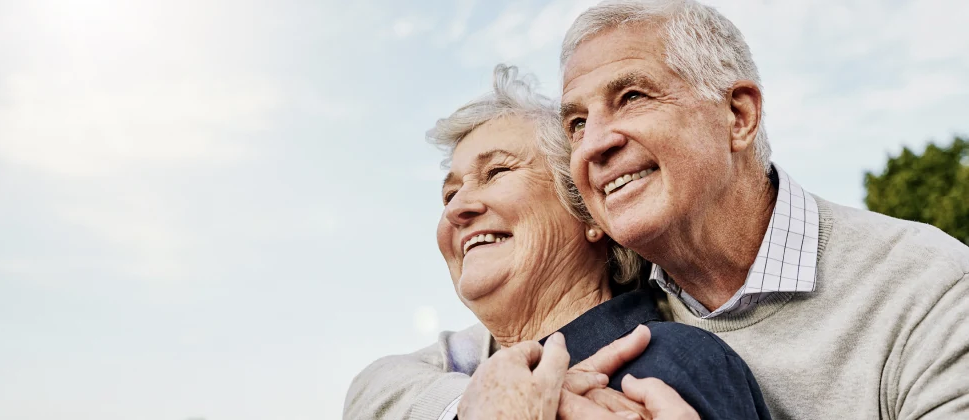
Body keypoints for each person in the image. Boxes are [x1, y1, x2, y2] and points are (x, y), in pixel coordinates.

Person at [345, 0, 969, 419]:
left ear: (738, 115)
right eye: (578, 121)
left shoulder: (928, 289)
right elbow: (378, 386)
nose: (595, 142)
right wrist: (481, 406)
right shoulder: (621, 302)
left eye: (633, 96)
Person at [344, 64, 771, 420]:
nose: (458, 209)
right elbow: (370, 387)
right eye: (449, 194)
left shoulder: (667, 364)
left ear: (589, 213)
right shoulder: (458, 371)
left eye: (496, 173)